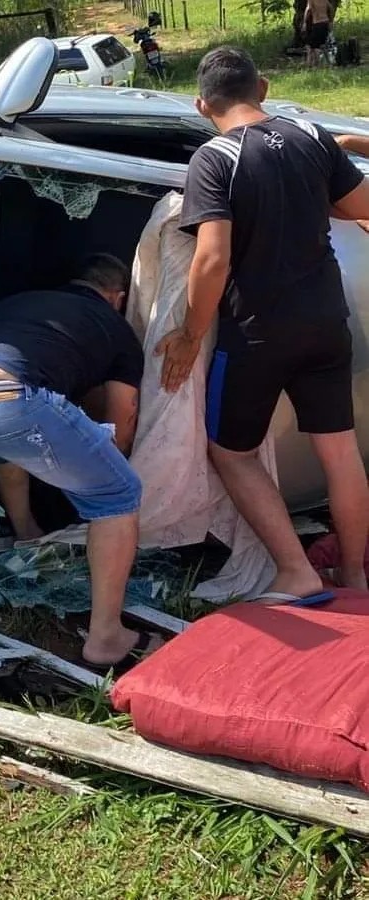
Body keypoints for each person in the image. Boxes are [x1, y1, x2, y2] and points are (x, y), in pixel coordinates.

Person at [157, 46, 369, 602]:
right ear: (265, 88)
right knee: (340, 452)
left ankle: (295, 570)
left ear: (203, 105)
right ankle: (353, 573)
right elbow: (361, 202)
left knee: (231, 453)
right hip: (327, 321)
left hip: (257, 334)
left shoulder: (214, 158)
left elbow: (211, 259)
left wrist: (189, 334)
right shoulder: (312, 138)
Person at [0, 254, 162, 671]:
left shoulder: (29, 301)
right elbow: (121, 426)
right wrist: (96, 470)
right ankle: (107, 637)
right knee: (118, 493)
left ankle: (27, 534)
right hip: (0, 399)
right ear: (118, 297)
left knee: (10, 441)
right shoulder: (117, 331)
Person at [303, 0, 334, 66]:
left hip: (317, 23)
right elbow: (331, 8)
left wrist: (305, 23)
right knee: (322, 44)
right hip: (325, 22)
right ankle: (329, 63)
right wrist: (331, 21)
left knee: (314, 46)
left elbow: (308, 9)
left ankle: (316, 65)